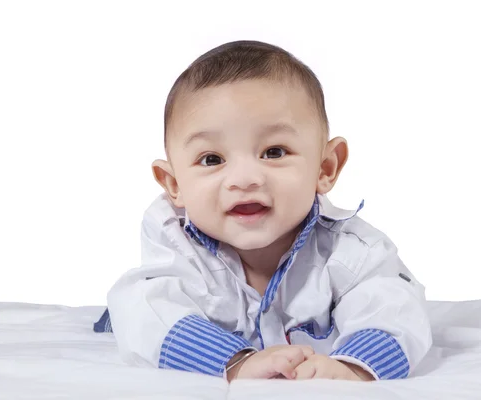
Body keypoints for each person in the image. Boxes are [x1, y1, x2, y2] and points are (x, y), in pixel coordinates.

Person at [105, 40, 432, 382]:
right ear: (174, 185)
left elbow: (395, 306)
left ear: (325, 167)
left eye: (274, 152)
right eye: (212, 159)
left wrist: (352, 368)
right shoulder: (174, 239)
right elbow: (143, 308)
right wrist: (235, 362)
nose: (244, 179)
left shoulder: (352, 251)